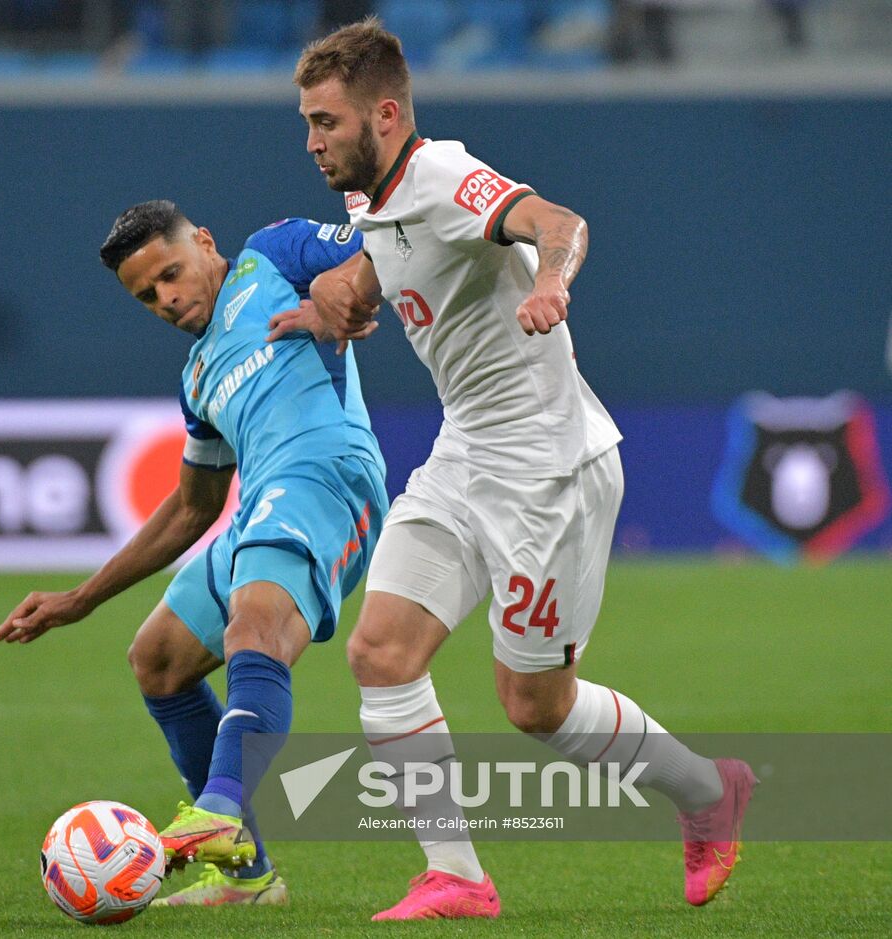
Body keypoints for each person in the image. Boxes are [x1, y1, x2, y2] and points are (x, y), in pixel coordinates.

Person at [284, 17, 756, 921]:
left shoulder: (443, 174)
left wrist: (551, 282)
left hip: (548, 467)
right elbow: (395, 250)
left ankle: (707, 790)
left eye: (325, 123)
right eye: (306, 123)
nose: (312, 142)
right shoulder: (370, 195)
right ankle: (457, 875)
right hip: (467, 451)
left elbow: (561, 223)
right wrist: (345, 298)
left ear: (384, 115)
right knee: (380, 650)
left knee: (535, 707)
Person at [0, 201, 389, 908]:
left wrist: (353, 279)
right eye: (147, 296)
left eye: (172, 274)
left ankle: (220, 805)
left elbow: (399, 239)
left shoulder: (274, 256)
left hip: (326, 474)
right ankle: (247, 878)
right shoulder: (199, 376)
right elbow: (193, 507)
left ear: (205, 241)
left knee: (253, 626)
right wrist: (78, 600)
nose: (167, 299)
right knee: (158, 661)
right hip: (259, 507)